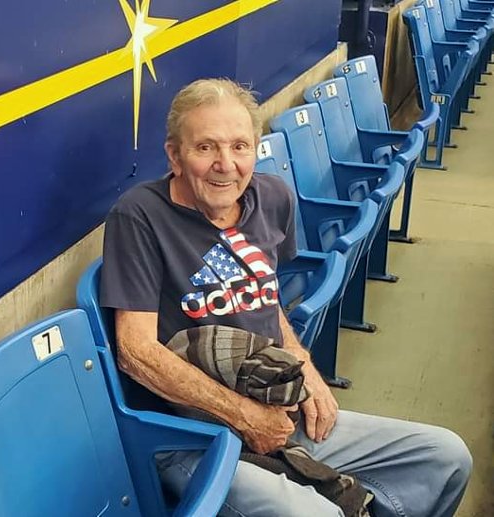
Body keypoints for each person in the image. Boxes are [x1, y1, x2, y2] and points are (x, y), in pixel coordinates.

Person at [99, 78, 472, 517]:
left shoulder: (272, 197)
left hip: (275, 408)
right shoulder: (140, 215)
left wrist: (305, 370)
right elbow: (134, 351)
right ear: (174, 156)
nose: (226, 164)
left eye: (240, 147)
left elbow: (266, 301)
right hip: (192, 435)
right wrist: (242, 417)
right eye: (205, 148)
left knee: (446, 457)